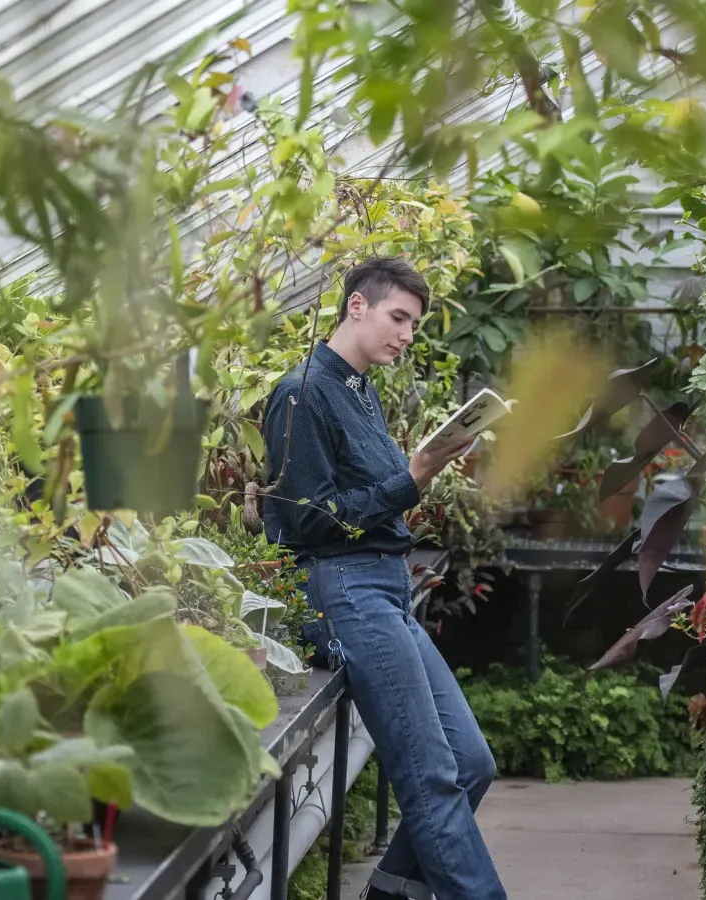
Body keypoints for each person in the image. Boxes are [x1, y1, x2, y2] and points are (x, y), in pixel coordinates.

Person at [262, 256, 506, 900]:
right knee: (429, 776)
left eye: (415, 325)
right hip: (344, 589)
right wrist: (414, 474)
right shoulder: (303, 392)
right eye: (399, 317)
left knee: (471, 764)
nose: (406, 334)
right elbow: (303, 520)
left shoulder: (358, 387)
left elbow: (370, 495)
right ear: (357, 307)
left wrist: (414, 473)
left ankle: (391, 890)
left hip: (386, 589)